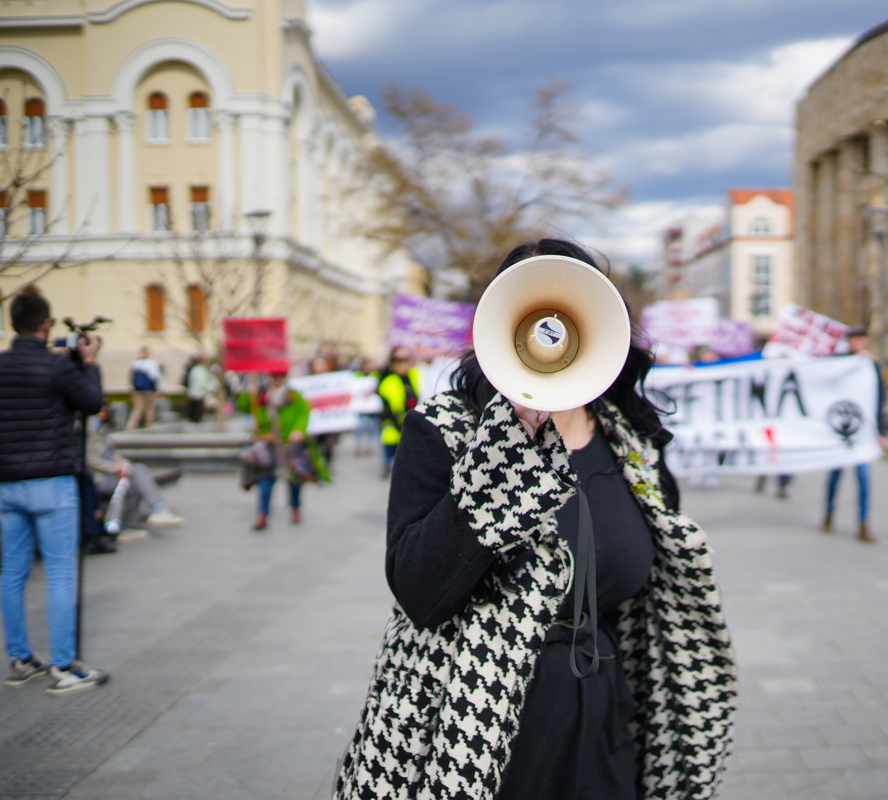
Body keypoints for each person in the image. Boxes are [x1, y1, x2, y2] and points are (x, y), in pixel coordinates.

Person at [336, 239, 735, 800]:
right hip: (476, 723)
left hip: (604, 716)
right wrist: (502, 453)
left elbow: (646, 585)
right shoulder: (445, 432)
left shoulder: (633, 442)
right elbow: (420, 593)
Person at [0, 292, 109, 694]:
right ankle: (64, 666)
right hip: (51, 481)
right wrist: (92, 363)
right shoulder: (54, 366)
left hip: (7, 484)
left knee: (12, 572)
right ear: (46, 326)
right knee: (61, 571)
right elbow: (93, 403)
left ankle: (21, 658)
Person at [237, 373, 329, 530]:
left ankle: (295, 508)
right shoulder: (260, 394)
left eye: (280, 376)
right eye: (274, 376)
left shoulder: (293, 395)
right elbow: (243, 407)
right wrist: (248, 393)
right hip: (267, 443)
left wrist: (299, 430)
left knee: (294, 479)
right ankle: (263, 515)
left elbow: (303, 413)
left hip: (288, 444)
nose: (277, 379)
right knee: (265, 480)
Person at [823, 326, 887, 543]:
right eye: (854, 339)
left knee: (863, 477)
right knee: (835, 475)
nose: (858, 343)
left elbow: (880, 398)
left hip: (863, 432)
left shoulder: (872, 365)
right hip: (840, 429)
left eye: (862, 339)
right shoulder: (838, 361)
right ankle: (829, 513)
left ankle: (863, 523)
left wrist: (881, 431)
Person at [87, 401, 185, 537]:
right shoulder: (90, 427)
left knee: (135, 475)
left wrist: (121, 463)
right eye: (99, 409)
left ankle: (130, 525)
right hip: (99, 478)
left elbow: (111, 453)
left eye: (104, 408)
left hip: (110, 473)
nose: (103, 412)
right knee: (136, 475)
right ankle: (155, 510)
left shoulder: (100, 426)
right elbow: (89, 459)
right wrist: (114, 468)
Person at [377, 346, 420, 478]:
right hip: (396, 429)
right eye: (397, 359)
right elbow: (387, 411)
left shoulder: (418, 376)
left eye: (406, 359)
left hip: (418, 429)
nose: (402, 363)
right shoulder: (387, 382)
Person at [125, 346, 162, 430]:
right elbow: (156, 377)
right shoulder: (152, 363)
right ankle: (150, 427)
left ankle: (131, 427)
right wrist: (156, 390)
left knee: (137, 409)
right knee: (149, 409)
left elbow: (131, 378)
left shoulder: (134, 363)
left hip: (137, 390)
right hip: (149, 390)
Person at [184, 355, 216, 423]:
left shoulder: (193, 369)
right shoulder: (203, 370)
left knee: (193, 411)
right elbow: (204, 383)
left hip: (192, 392)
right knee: (198, 412)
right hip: (200, 393)